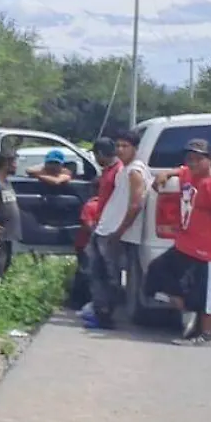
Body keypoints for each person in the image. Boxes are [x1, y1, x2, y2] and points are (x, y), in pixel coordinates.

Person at [145, 138, 211, 346]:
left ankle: (204, 335)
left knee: (208, 296)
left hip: (209, 250)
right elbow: (180, 170)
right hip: (185, 245)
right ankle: (186, 308)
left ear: (210, 160)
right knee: (156, 272)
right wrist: (165, 174)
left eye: (198, 159)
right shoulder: (188, 175)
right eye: (189, 158)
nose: (192, 163)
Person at [82, 135, 147, 330]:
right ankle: (100, 311)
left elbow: (136, 204)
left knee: (108, 276)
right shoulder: (122, 170)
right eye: (118, 145)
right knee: (96, 272)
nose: (120, 149)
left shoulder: (134, 171)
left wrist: (119, 231)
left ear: (135, 148)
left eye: (125, 146)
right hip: (104, 227)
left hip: (112, 231)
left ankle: (105, 315)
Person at [0, 150, 20, 279]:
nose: (16, 166)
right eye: (14, 162)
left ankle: (1, 281)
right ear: (6, 164)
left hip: (8, 231)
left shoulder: (7, 182)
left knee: (6, 260)